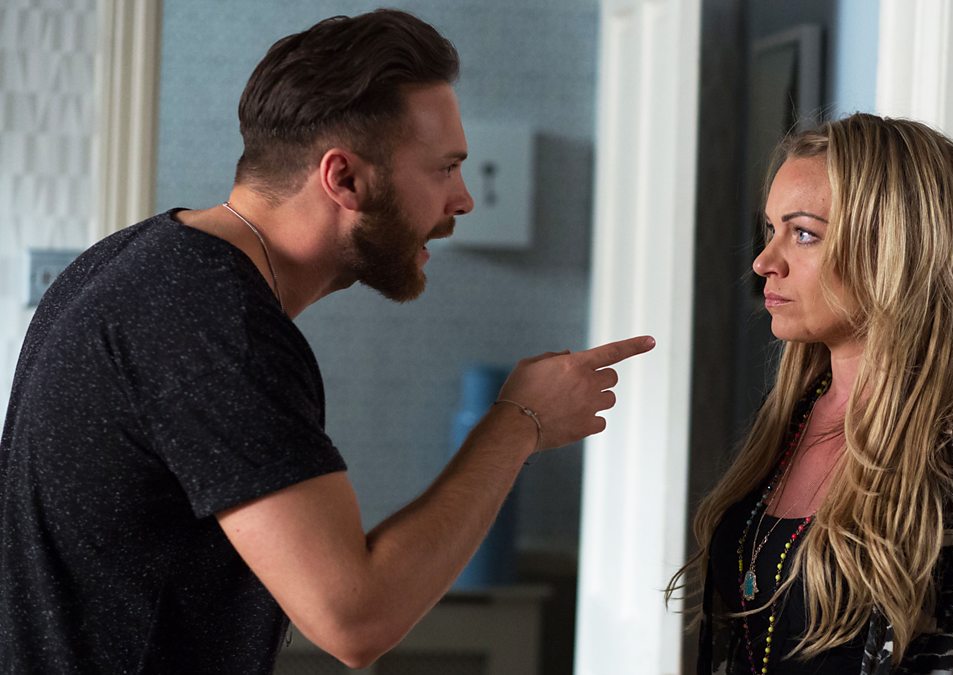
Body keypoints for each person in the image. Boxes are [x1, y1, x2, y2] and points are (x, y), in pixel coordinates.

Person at [0, 9, 653, 674]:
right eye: (445, 168)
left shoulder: (136, 261)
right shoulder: (216, 323)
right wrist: (520, 422)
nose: (463, 199)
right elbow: (355, 618)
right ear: (343, 178)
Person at [668, 114, 953, 674]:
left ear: (893, 250)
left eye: (804, 234)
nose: (764, 262)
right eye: (771, 229)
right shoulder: (787, 418)